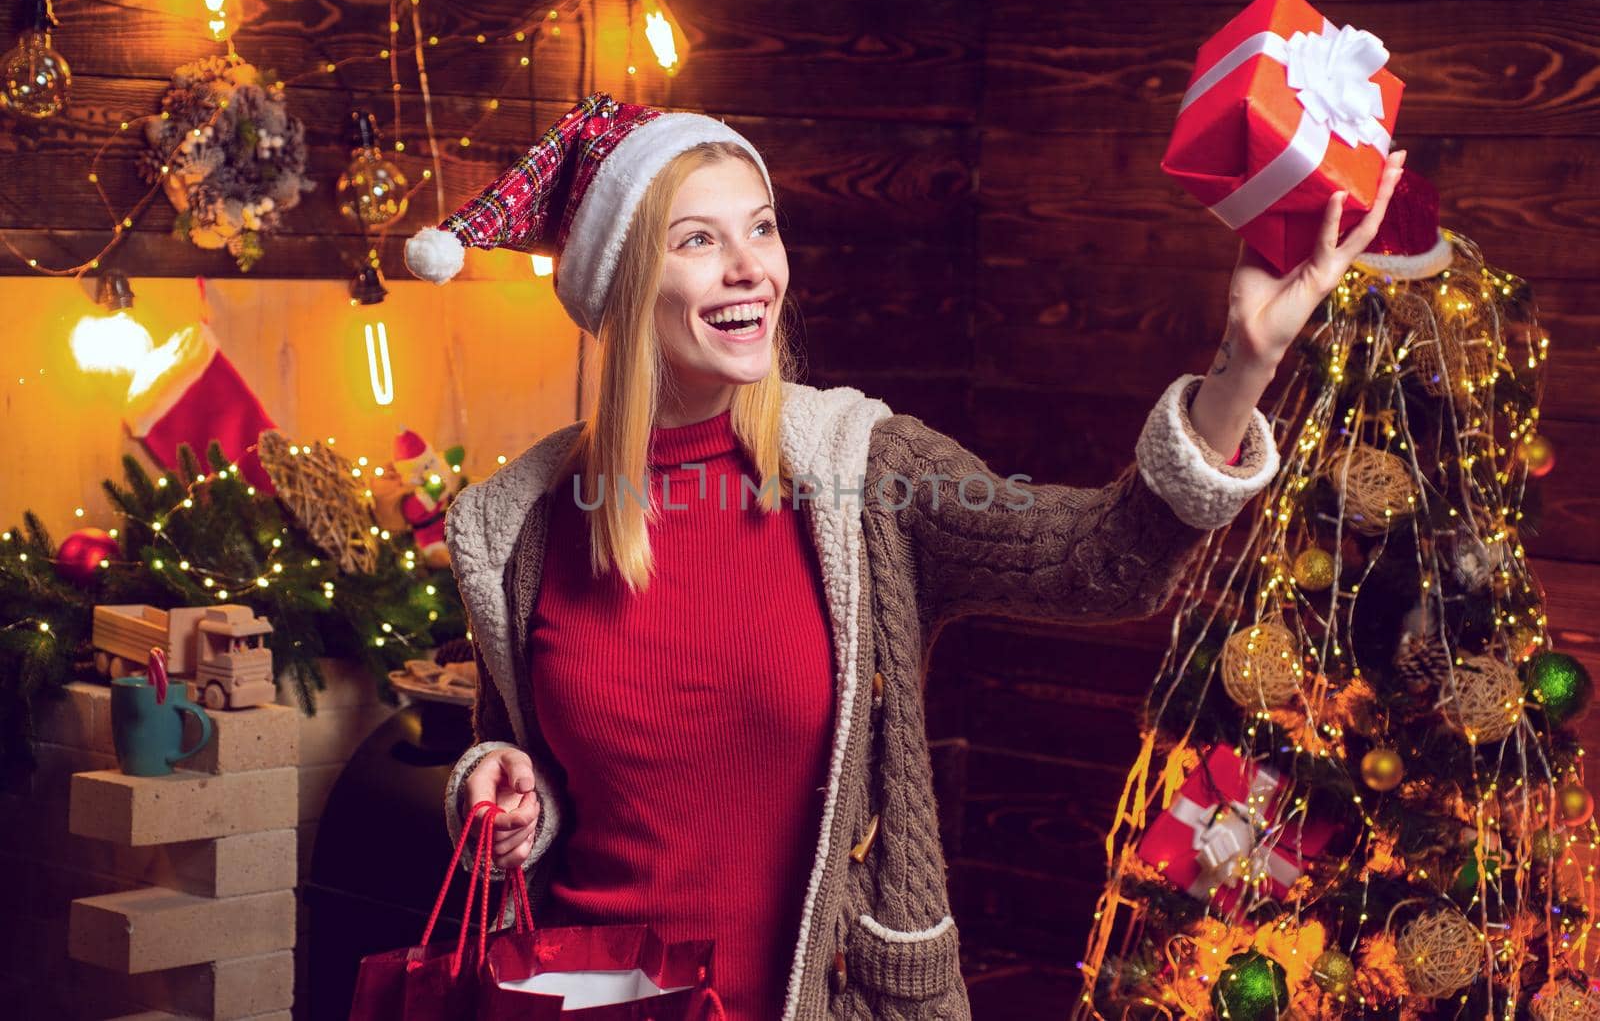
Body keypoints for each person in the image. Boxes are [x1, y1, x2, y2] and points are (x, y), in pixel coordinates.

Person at [403, 91, 1405, 1020]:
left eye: (761, 227)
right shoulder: (525, 521)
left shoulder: (864, 472)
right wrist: (499, 793)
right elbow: (524, 769)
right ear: (618, 282)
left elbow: (1106, 560)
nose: (750, 266)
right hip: (587, 998)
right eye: (697, 240)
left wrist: (1245, 363)